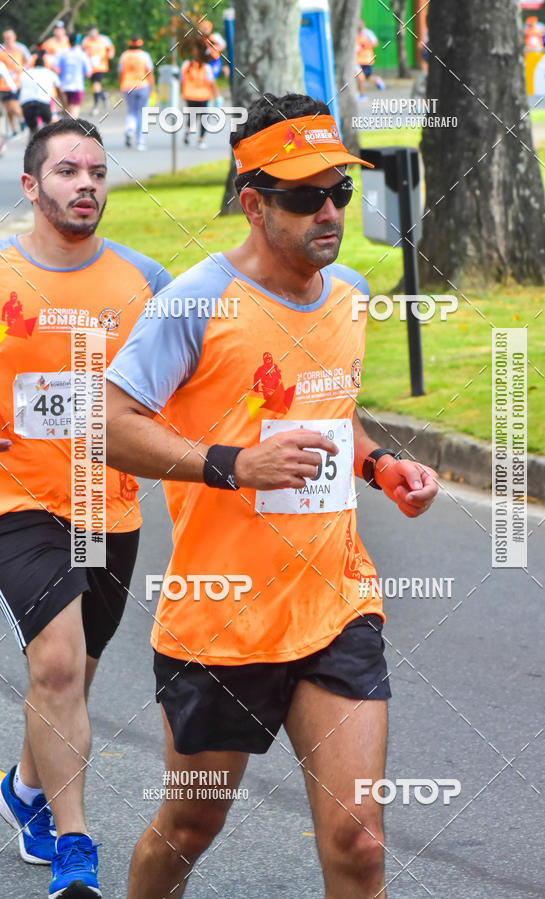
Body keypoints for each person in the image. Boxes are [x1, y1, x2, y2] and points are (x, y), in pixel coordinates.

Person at [105, 92, 438, 899]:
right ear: (253, 203)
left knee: (359, 841)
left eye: (340, 192)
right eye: (305, 196)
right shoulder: (195, 301)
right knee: (188, 830)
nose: (328, 210)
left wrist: (377, 464)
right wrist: (231, 463)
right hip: (221, 620)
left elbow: (328, 408)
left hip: (335, 603)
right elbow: (109, 425)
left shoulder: (350, 290)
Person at [0, 118, 171, 899]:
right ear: (32, 186)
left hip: (109, 503)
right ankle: (74, 845)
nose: (87, 184)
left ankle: (25, 786)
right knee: (58, 661)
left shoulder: (146, 281)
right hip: (18, 498)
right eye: (68, 171)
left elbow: (183, 388)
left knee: (75, 675)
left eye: (98, 171)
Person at [118, 36, 154, 151]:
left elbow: (120, 72)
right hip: (142, 85)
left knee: (131, 110)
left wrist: (121, 85)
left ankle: (130, 128)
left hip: (127, 86)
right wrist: (152, 88)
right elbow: (149, 72)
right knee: (141, 113)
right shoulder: (144, 55)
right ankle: (140, 141)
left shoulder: (124, 56)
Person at [180, 38, 217, 147]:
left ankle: (187, 131)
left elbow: (182, 80)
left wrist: (182, 93)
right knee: (203, 118)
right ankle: (201, 140)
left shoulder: (186, 65)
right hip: (203, 96)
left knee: (192, 115)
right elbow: (211, 83)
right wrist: (216, 97)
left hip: (189, 95)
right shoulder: (206, 67)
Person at [18, 49, 63, 134]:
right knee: (49, 126)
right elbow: (59, 89)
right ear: (44, 65)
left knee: (32, 130)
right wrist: (64, 104)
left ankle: (33, 142)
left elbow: (19, 90)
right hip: (43, 102)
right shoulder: (49, 72)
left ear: (33, 64)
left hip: (26, 104)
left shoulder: (24, 74)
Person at [0, 29, 29, 135]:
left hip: (17, 82)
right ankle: (13, 129)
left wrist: (23, 71)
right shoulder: (1, 50)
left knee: (13, 104)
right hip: (4, 84)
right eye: (6, 38)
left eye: (10, 37)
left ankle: (22, 120)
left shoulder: (20, 49)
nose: (8, 40)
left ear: (14, 37)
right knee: (8, 108)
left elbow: (28, 61)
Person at [55, 35, 91, 118]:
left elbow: (55, 68)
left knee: (66, 111)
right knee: (74, 112)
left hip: (63, 86)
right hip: (77, 86)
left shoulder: (62, 53)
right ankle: (71, 129)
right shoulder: (82, 55)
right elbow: (88, 73)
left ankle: (65, 127)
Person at [82, 25, 114, 115]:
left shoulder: (104, 39)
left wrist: (110, 54)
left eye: (94, 31)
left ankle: (95, 106)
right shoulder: (86, 41)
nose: (93, 34)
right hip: (90, 67)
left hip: (101, 66)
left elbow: (110, 48)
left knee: (96, 85)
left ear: (97, 31)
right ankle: (104, 96)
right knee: (96, 86)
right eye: (91, 32)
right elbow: (83, 53)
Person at [355, 19, 384, 98]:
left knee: (367, 77)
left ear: (363, 23)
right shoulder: (353, 33)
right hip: (356, 60)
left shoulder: (367, 33)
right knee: (359, 77)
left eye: (359, 23)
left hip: (367, 60)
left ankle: (377, 81)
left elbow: (375, 43)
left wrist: (365, 45)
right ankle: (361, 95)